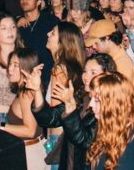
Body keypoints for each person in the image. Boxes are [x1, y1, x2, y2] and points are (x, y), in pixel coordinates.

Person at [32, 53, 117, 170]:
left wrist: (71, 110)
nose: (86, 77)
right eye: (85, 71)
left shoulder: (107, 107)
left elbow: (85, 141)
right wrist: (37, 90)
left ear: (107, 76)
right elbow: (49, 119)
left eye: (93, 73)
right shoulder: (80, 98)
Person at [0, 48, 49, 170]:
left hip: (30, 154)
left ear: (26, 68)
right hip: (29, 151)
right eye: (10, 64)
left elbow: (30, 131)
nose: (10, 69)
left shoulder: (26, 95)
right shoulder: (24, 91)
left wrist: (1, 126)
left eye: (15, 65)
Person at [44, 21, 86, 168]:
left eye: (53, 33)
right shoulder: (71, 68)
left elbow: (55, 113)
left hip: (58, 137)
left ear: (62, 43)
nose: (48, 34)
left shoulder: (59, 71)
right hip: (65, 135)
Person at [18, 0, 60, 86]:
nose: (24, 0)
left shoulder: (51, 21)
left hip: (49, 77)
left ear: (38, 2)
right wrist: (15, 26)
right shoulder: (17, 25)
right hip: (26, 77)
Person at [84, 19, 134, 85]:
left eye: (96, 43)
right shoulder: (112, 58)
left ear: (107, 38)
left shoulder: (122, 65)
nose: (93, 46)